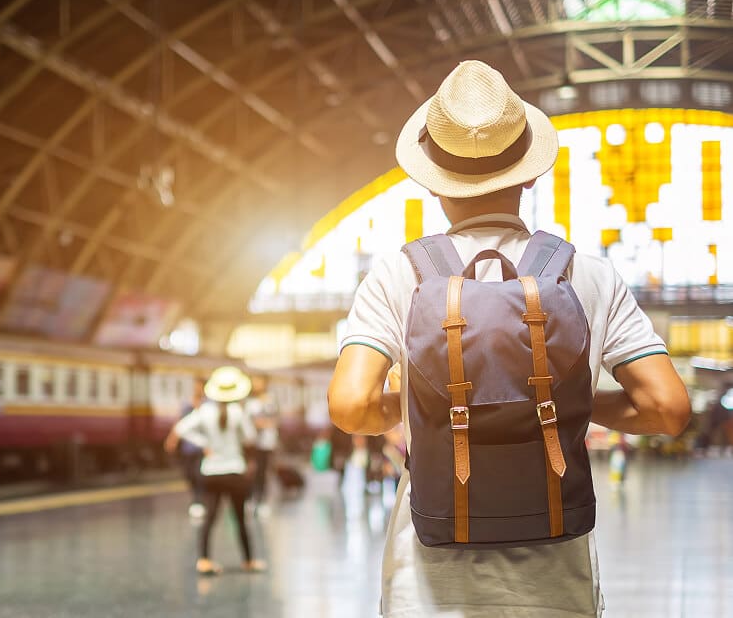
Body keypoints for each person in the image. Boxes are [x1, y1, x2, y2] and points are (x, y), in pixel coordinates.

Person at [327, 60, 691, 617]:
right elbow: (667, 410)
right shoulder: (588, 275)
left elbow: (351, 408)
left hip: (427, 586)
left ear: (431, 181)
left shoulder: (399, 275)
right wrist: (561, 404)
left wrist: (425, 407)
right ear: (530, 174)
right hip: (556, 584)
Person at [172, 366, 267, 575]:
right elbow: (250, 438)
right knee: (240, 519)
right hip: (234, 471)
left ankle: (204, 560)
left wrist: (204, 443)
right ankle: (248, 561)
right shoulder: (237, 412)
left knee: (209, 519)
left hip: (211, 471)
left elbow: (181, 429)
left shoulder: (205, 411)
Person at [163, 376, 207, 518]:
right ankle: (196, 499)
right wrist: (173, 439)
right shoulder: (186, 404)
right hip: (188, 447)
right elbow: (180, 423)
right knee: (189, 474)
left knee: (199, 474)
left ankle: (199, 501)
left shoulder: (208, 406)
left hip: (203, 448)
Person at [244, 376, 279, 514]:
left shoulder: (271, 400)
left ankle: (262, 500)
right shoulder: (250, 402)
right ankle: (252, 498)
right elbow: (250, 421)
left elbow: (275, 419)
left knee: (264, 472)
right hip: (252, 443)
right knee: (252, 471)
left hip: (267, 443)